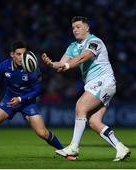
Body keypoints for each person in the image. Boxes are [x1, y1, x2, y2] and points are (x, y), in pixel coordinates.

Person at [42, 16, 131, 161]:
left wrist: (66, 65)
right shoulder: (72, 47)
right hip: (95, 85)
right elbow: (62, 63)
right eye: (73, 28)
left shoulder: (95, 41)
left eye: (78, 26)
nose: (75, 30)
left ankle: (74, 147)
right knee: (94, 122)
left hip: (104, 80)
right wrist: (51, 64)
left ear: (87, 28)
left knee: (80, 106)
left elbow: (84, 57)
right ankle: (120, 147)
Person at [0, 40, 65, 160]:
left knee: (42, 133)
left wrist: (20, 99)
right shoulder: (4, 66)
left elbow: (37, 91)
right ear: (12, 55)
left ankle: (65, 151)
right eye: (18, 54)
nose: (21, 57)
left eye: (23, 54)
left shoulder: (32, 68)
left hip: (27, 102)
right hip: (9, 100)